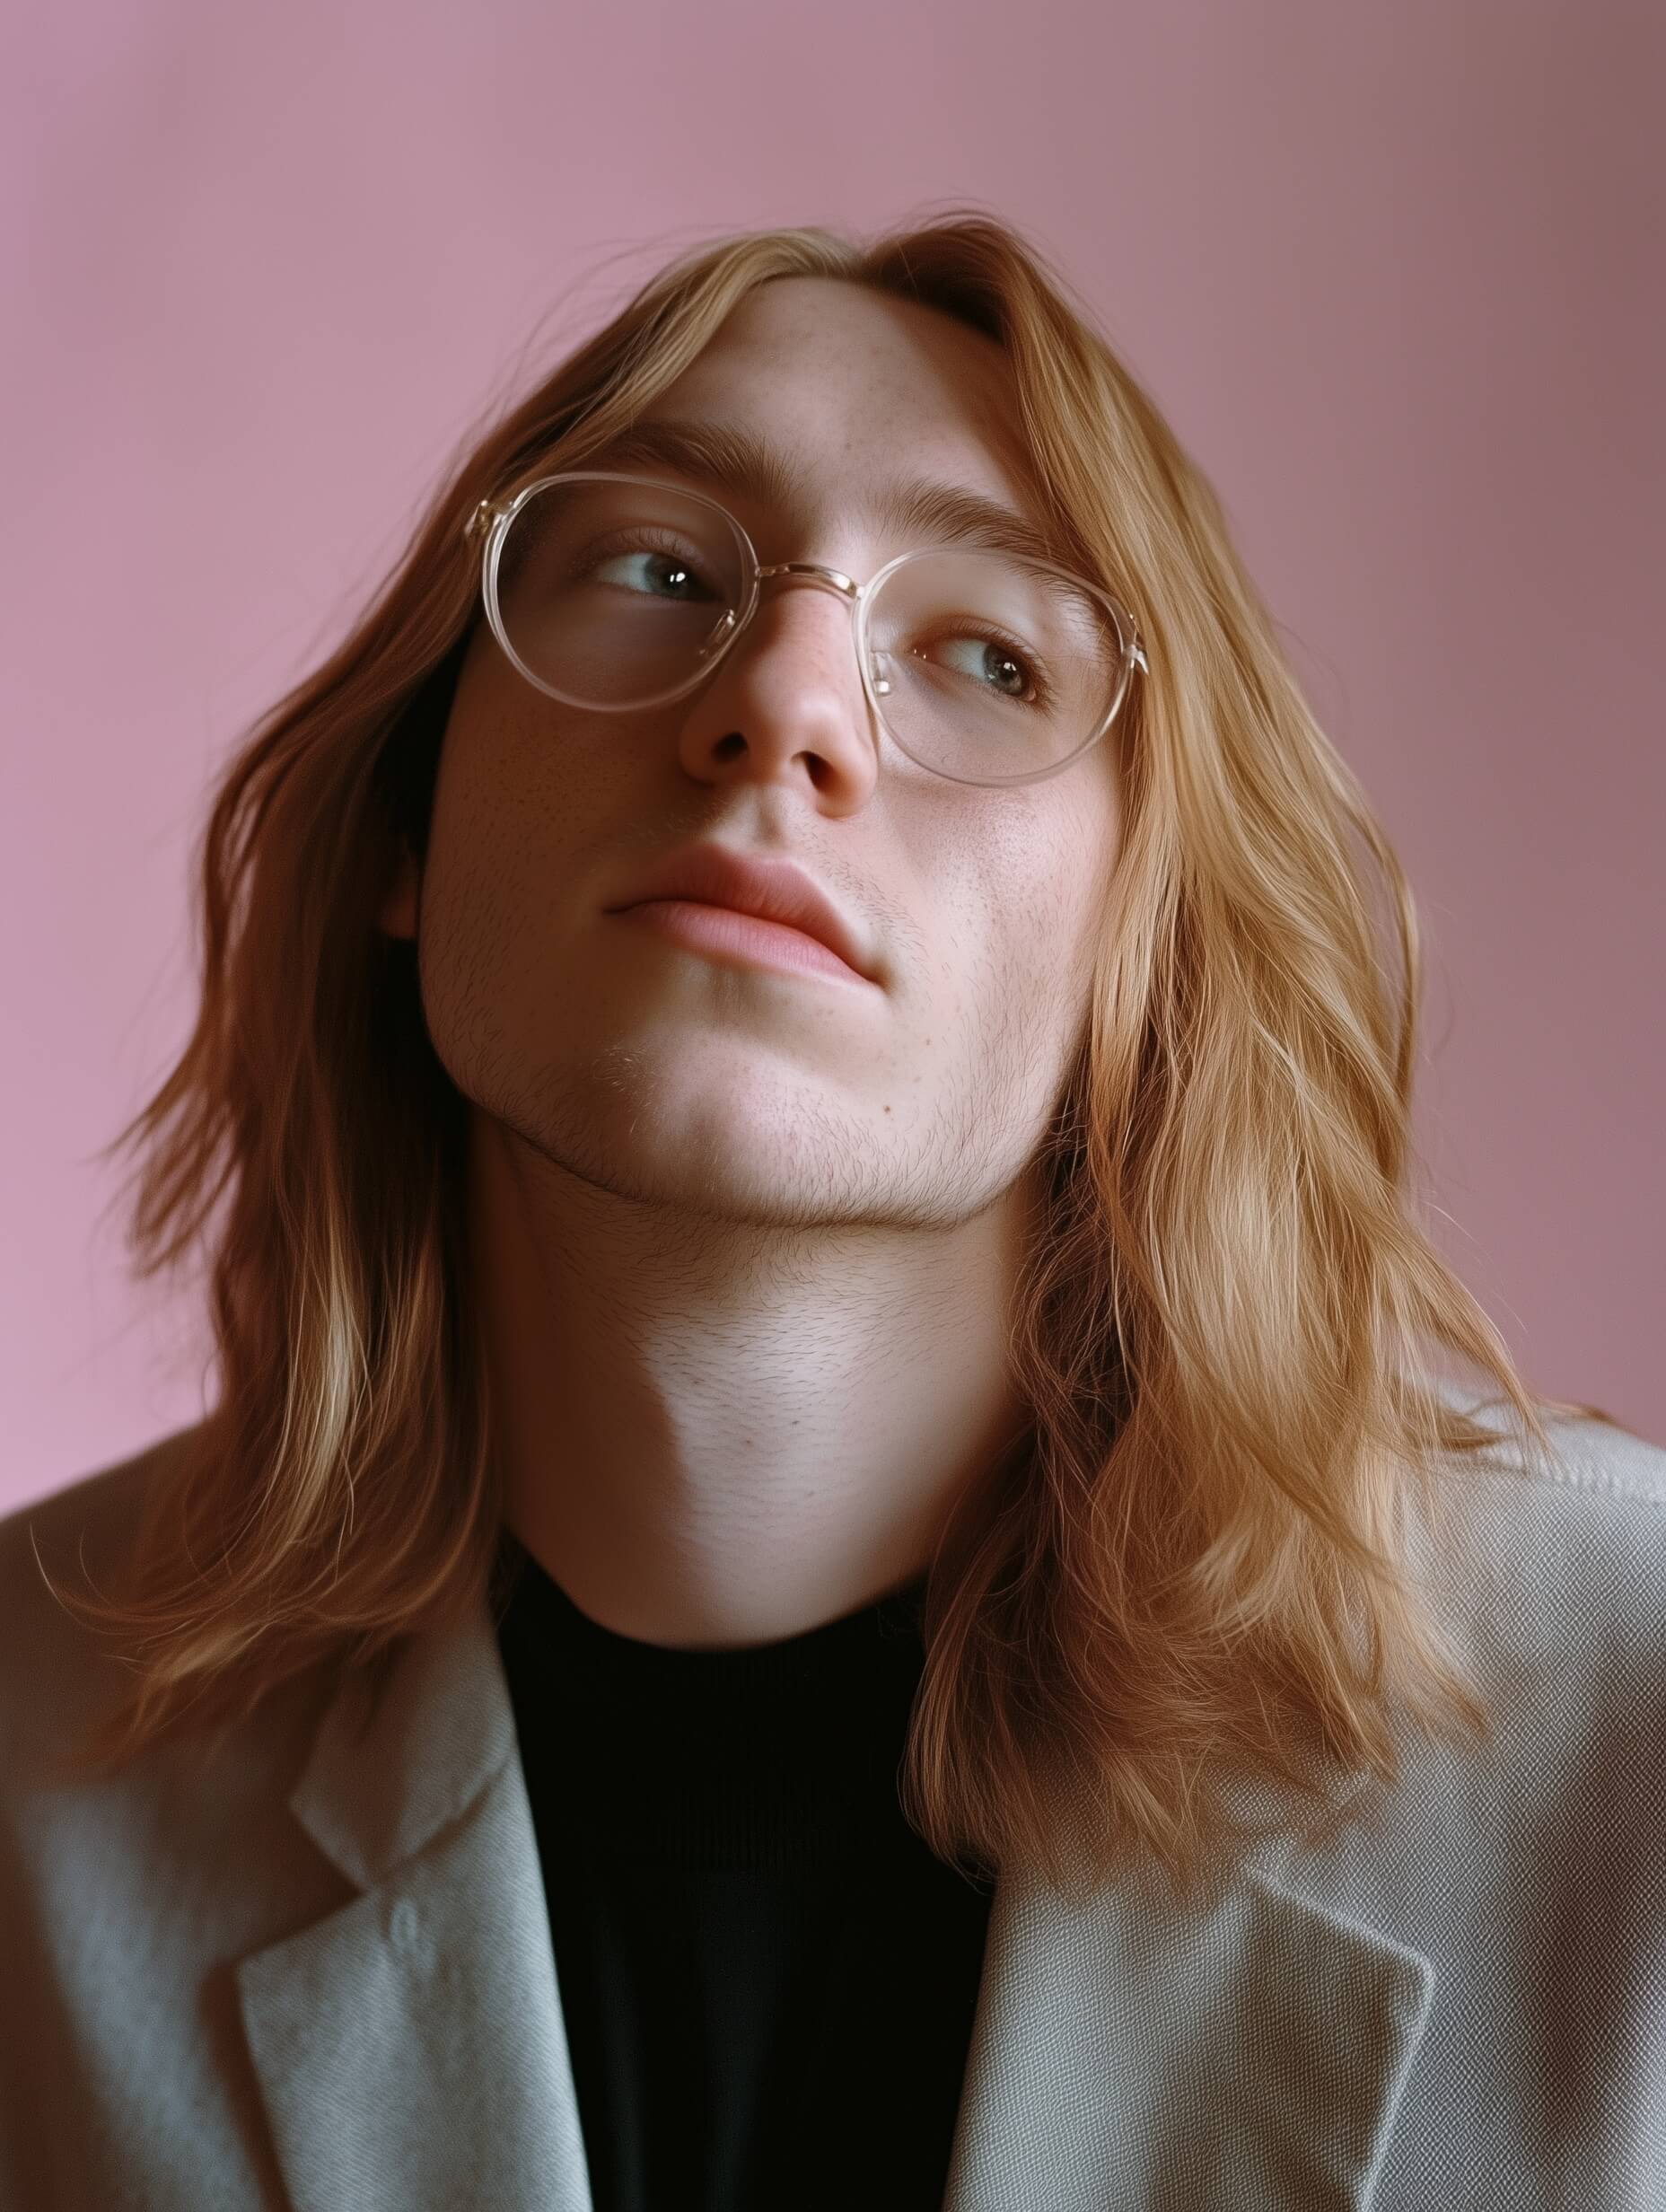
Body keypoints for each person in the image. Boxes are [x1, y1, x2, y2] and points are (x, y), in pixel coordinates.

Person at [1, 212, 1660, 2212]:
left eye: (987, 649)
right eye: (656, 567)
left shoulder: (1629, 1723)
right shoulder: (29, 1773)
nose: (784, 701)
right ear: (406, 835)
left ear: (1143, 963)